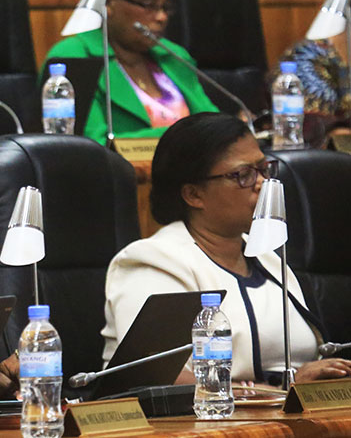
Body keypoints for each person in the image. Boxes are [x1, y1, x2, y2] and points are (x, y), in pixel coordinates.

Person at [102, 112, 351, 385]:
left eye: (264, 169)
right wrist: (285, 388)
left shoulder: (268, 259)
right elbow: (153, 375)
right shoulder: (155, 261)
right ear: (194, 194)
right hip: (201, 414)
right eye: (243, 175)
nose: (262, 184)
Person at [41, 0, 219, 145]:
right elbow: (92, 144)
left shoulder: (173, 55)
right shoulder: (74, 56)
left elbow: (214, 128)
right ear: (106, 2)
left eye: (166, 6)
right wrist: (189, 137)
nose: (161, 17)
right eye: (148, 4)